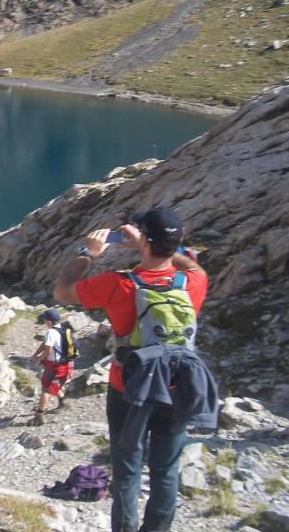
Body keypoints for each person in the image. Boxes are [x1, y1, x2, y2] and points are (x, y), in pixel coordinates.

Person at [53, 206, 211, 532]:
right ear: (178, 242)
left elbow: (62, 290)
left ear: (144, 240)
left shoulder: (119, 285)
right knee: (166, 471)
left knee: (128, 469)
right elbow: (190, 263)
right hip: (177, 387)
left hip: (129, 389)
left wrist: (89, 252)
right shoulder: (194, 281)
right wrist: (156, 246)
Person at [30, 308, 70, 423]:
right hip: (63, 364)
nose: (44, 321)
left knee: (46, 389)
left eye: (45, 319)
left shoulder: (51, 332)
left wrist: (38, 359)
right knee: (53, 384)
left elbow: (48, 350)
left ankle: (40, 416)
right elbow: (45, 344)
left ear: (49, 321)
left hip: (54, 365)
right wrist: (35, 354)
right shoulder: (62, 330)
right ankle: (63, 402)